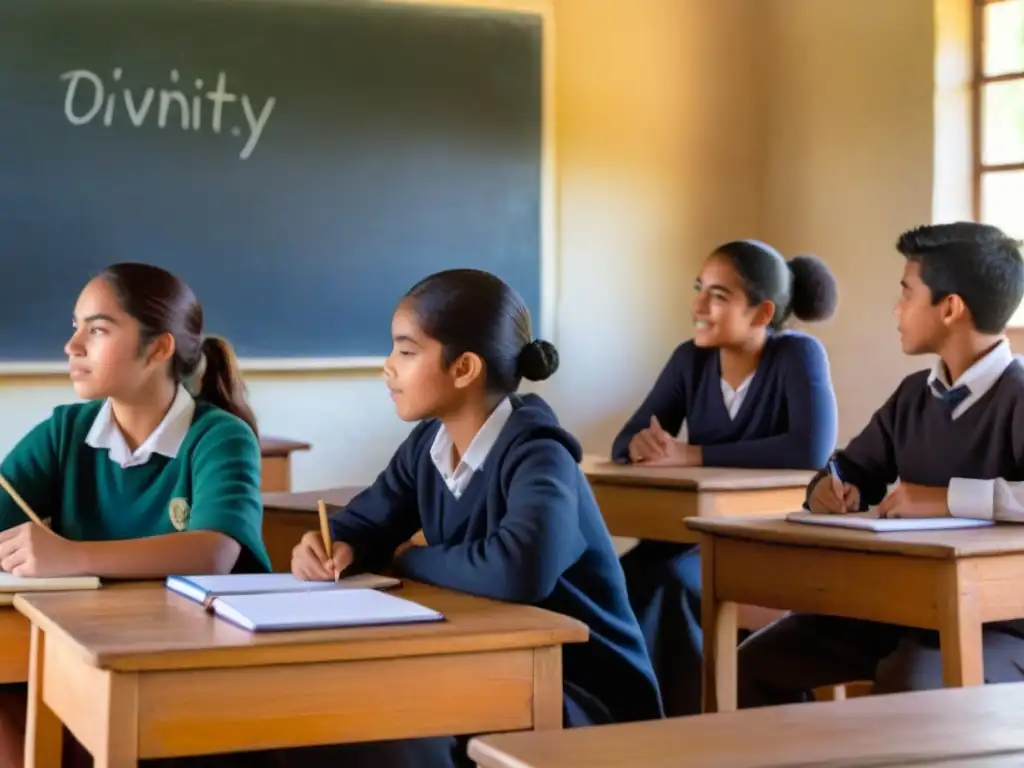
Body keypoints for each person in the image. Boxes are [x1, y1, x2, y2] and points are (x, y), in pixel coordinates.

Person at [290, 268, 663, 767]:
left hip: (578, 690)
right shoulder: (429, 444)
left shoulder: (538, 454)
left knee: (393, 736)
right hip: (489, 661)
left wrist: (411, 560)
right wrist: (332, 544)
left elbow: (518, 570)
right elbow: (368, 521)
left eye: (405, 351)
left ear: (464, 368)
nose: (387, 367)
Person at [738, 222, 1024, 707]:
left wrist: (943, 499)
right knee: (755, 663)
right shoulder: (914, 395)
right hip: (904, 611)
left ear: (950, 308)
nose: (896, 308)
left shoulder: (1018, 394)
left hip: (1004, 626)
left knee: (911, 680)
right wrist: (832, 488)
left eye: (907, 293)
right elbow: (851, 467)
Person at [0, 262, 270, 768]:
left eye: (97, 329)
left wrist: (69, 556)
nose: (72, 345)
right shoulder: (67, 430)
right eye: (74, 327)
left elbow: (211, 551)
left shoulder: (218, 436)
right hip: (88, 652)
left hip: (194, 673)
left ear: (158, 347)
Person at [611, 239, 839, 716]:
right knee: (614, 578)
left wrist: (690, 454)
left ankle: (688, 726)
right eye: (700, 289)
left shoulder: (798, 355)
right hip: (694, 534)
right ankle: (626, 718)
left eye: (717, 295)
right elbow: (630, 435)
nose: (698, 306)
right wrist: (637, 445)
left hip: (771, 542)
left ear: (761, 314)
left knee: (670, 583)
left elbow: (809, 450)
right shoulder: (689, 359)